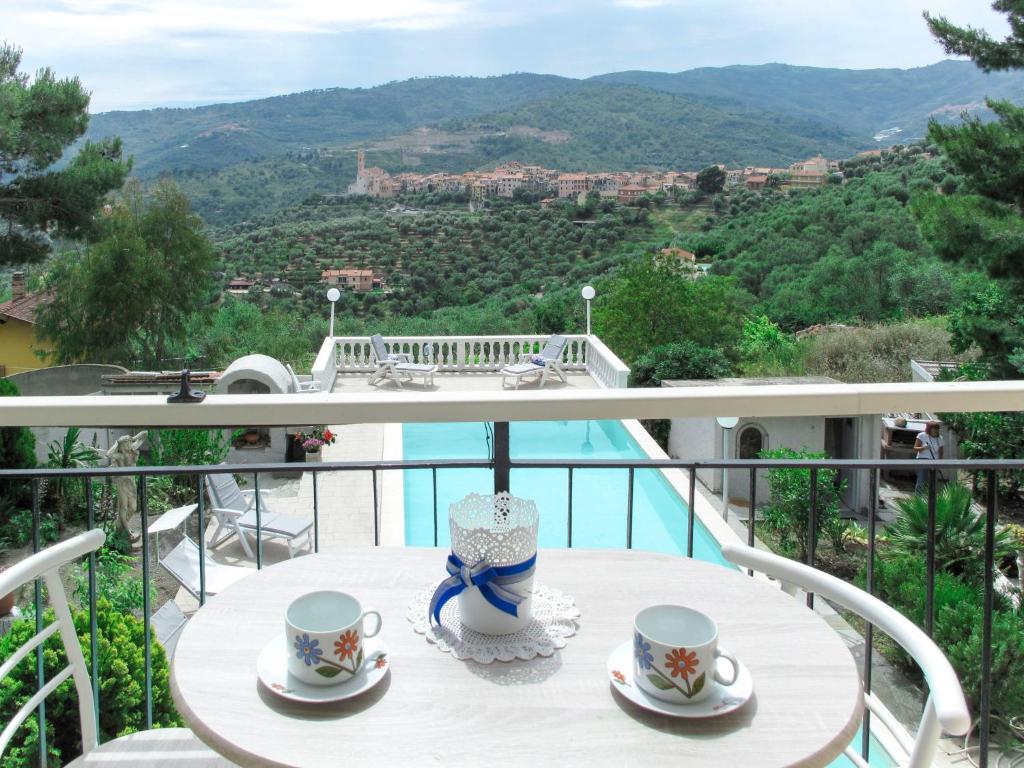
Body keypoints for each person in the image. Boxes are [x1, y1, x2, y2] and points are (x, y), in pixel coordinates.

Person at [913, 420, 943, 493]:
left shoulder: (940, 438)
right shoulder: (921, 436)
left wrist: (939, 463)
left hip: (934, 462)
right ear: (929, 429)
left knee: (933, 482)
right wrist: (924, 447)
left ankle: (930, 500)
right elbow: (915, 448)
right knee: (922, 481)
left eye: (937, 428)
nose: (936, 430)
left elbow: (941, 452)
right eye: (934, 428)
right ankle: (919, 499)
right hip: (922, 460)